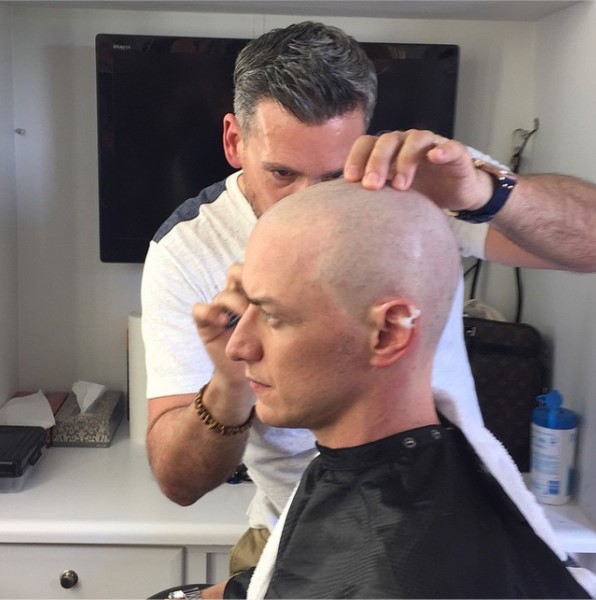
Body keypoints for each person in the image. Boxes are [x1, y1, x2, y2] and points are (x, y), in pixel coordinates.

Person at [141, 21, 596, 575]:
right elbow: (179, 481)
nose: (307, 204)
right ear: (235, 141)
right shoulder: (187, 250)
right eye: (282, 173)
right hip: (295, 534)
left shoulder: (413, 185)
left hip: (449, 512)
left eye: (335, 177)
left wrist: (487, 194)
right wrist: (232, 380)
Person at [194, 179, 593, 599]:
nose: (238, 347)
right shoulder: (385, 466)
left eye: (273, 316)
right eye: (247, 308)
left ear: (388, 333)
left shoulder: (400, 569)